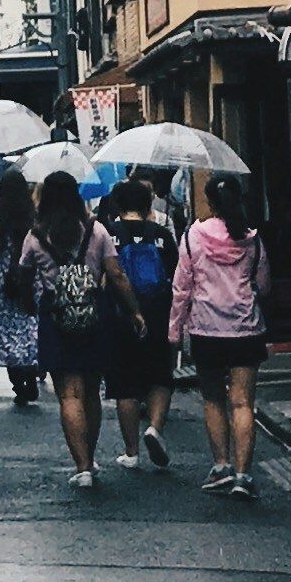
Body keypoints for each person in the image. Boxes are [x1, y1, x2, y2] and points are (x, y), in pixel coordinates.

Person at [24, 167, 144, 492]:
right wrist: (134, 311)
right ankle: (90, 457)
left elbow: (22, 274)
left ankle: (83, 466)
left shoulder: (36, 235)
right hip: (95, 313)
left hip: (56, 315)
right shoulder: (96, 230)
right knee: (91, 390)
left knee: (69, 393)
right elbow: (116, 274)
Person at [171, 172, 269, 498]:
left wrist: (174, 330)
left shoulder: (192, 238)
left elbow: (181, 289)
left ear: (209, 201)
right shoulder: (252, 239)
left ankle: (222, 467)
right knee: (243, 403)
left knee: (213, 399)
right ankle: (244, 476)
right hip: (245, 328)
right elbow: (264, 285)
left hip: (206, 329)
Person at [102, 171, 179, 468]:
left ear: (117, 204)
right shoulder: (161, 235)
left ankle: (132, 452)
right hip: (159, 312)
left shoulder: (108, 234)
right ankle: (155, 428)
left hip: (120, 315)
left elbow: (102, 276)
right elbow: (176, 274)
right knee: (160, 375)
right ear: (149, 204)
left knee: (125, 384)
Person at [0, 168, 44, 405]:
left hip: (3, 282)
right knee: (30, 325)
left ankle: (17, 381)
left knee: (7, 331)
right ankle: (32, 370)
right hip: (30, 278)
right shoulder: (34, 221)